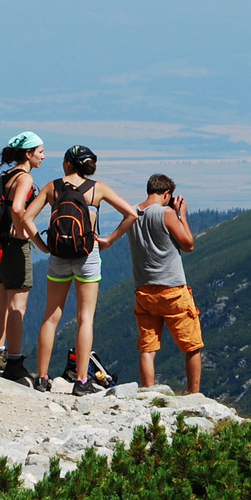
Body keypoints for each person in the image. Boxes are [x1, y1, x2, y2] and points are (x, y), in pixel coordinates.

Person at [23, 144, 138, 396]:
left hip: (58, 256)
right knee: (85, 317)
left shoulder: (53, 187)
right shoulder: (98, 188)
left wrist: (42, 246)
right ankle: (82, 380)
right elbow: (131, 214)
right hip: (88, 255)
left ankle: (42, 378)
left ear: (67, 163)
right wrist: (109, 239)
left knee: (51, 316)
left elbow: (25, 217)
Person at [124, 173, 203, 394]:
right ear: (166, 194)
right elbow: (188, 244)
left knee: (148, 348)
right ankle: (194, 394)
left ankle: (148, 393)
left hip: (144, 290)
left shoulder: (132, 212)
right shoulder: (166, 213)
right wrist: (182, 215)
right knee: (192, 345)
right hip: (172, 290)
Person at [0, 131, 48, 382]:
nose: (43, 156)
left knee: (2, 301)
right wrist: (36, 239)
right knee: (17, 306)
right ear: (28, 153)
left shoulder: (6, 176)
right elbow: (18, 208)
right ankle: (14, 361)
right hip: (15, 246)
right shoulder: (23, 179)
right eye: (40, 151)